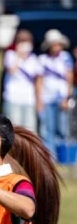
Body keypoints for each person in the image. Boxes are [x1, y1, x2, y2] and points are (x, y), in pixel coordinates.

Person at [38, 29, 73, 158]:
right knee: (48, 129)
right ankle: (51, 158)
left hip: (61, 97)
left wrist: (67, 98)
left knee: (63, 129)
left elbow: (69, 79)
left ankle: (64, 157)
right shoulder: (43, 60)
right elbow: (40, 81)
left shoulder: (65, 58)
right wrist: (39, 100)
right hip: (47, 98)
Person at [1, 29, 42, 131]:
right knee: (14, 129)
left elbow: (38, 80)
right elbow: (12, 70)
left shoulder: (34, 59)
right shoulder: (10, 55)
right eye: (22, 41)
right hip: (13, 98)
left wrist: (38, 99)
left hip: (29, 99)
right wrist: (19, 55)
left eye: (27, 41)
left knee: (30, 130)